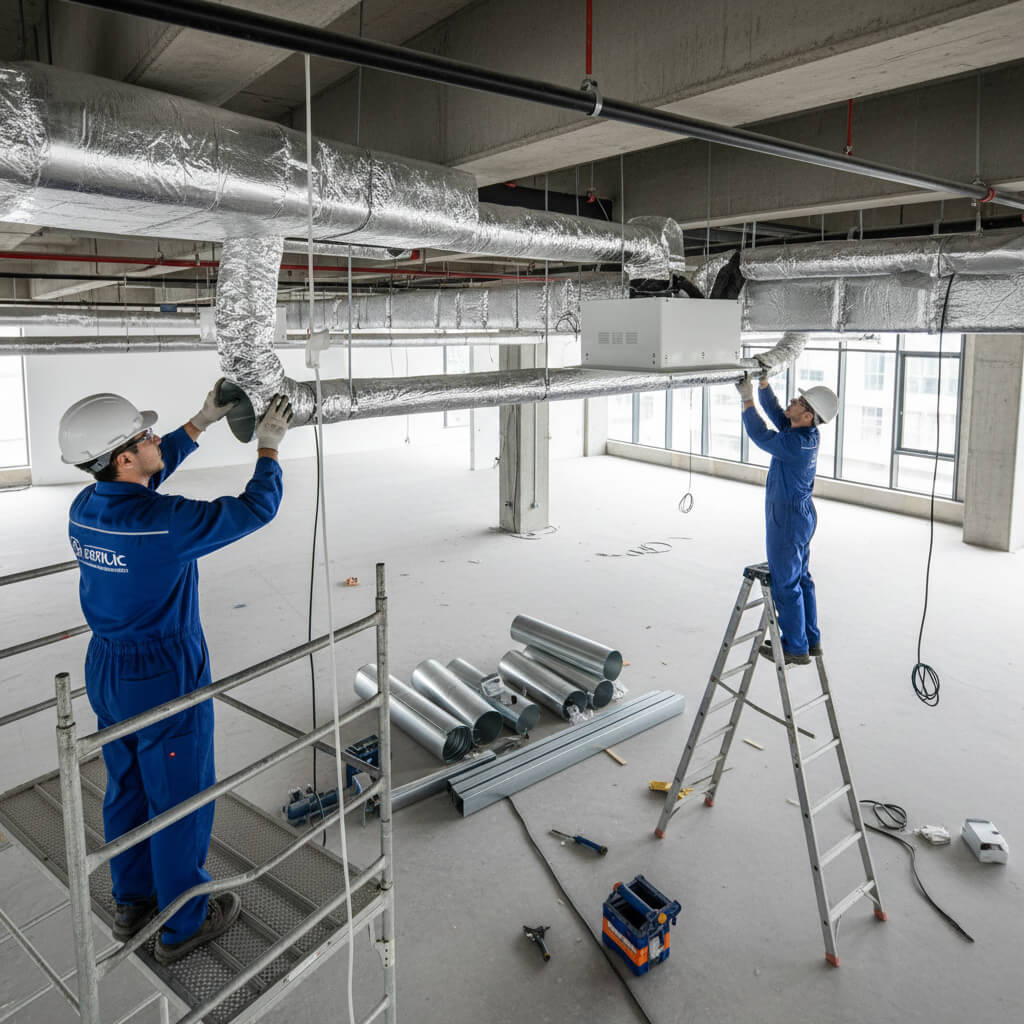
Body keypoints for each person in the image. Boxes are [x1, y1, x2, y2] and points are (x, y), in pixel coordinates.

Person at [58, 384, 293, 964]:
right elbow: (255, 508)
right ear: (124, 457)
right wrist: (269, 448)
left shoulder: (88, 506)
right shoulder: (165, 524)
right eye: (144, 438)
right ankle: (183, 924)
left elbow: (143, 485)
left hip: (107, 668)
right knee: (179, 799)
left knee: (128, 785)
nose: (152, 441)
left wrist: (200, 422)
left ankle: (132, 900)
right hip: (163, 672)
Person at [735, 369, 838, 666]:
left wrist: (746, 400)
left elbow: (760, 434)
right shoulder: (806, 433)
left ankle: (795, 647)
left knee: (785, 584)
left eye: (800, 402)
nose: (793, 401)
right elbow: (779, 415)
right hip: (802, 516)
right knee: (802, 579)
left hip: (787, 520)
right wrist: (763, 385)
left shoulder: (794, 444)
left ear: (808, 416)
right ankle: (810, 638)